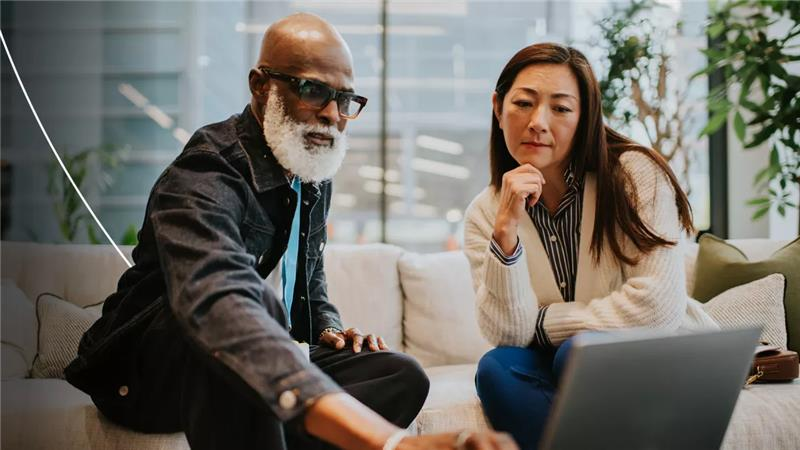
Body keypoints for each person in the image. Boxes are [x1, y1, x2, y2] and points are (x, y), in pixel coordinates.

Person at [65, 13, 516, 450]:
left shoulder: (312, 174)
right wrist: (389, 442)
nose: (331, 114)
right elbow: (218, 297)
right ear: (261, 85)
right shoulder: (207, 168)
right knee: (248, 309)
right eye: (313, 90)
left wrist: (330, 330)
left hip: (257, 355)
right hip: (146, 377)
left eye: (345, 99)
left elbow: (310, 280)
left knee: (398, 374)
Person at [462, 42, 718, 450]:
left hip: (660, 350)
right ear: (497, 106)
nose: (538, 122)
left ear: (586, 118)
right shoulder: (485, 213)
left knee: (578, 354)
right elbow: (509, 334)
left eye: (561, 108)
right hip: (573, 360)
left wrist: (546, 325)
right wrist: (505, 233)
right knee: (496, 368)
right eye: (524, 103)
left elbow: (656, 308)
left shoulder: (634, 175)